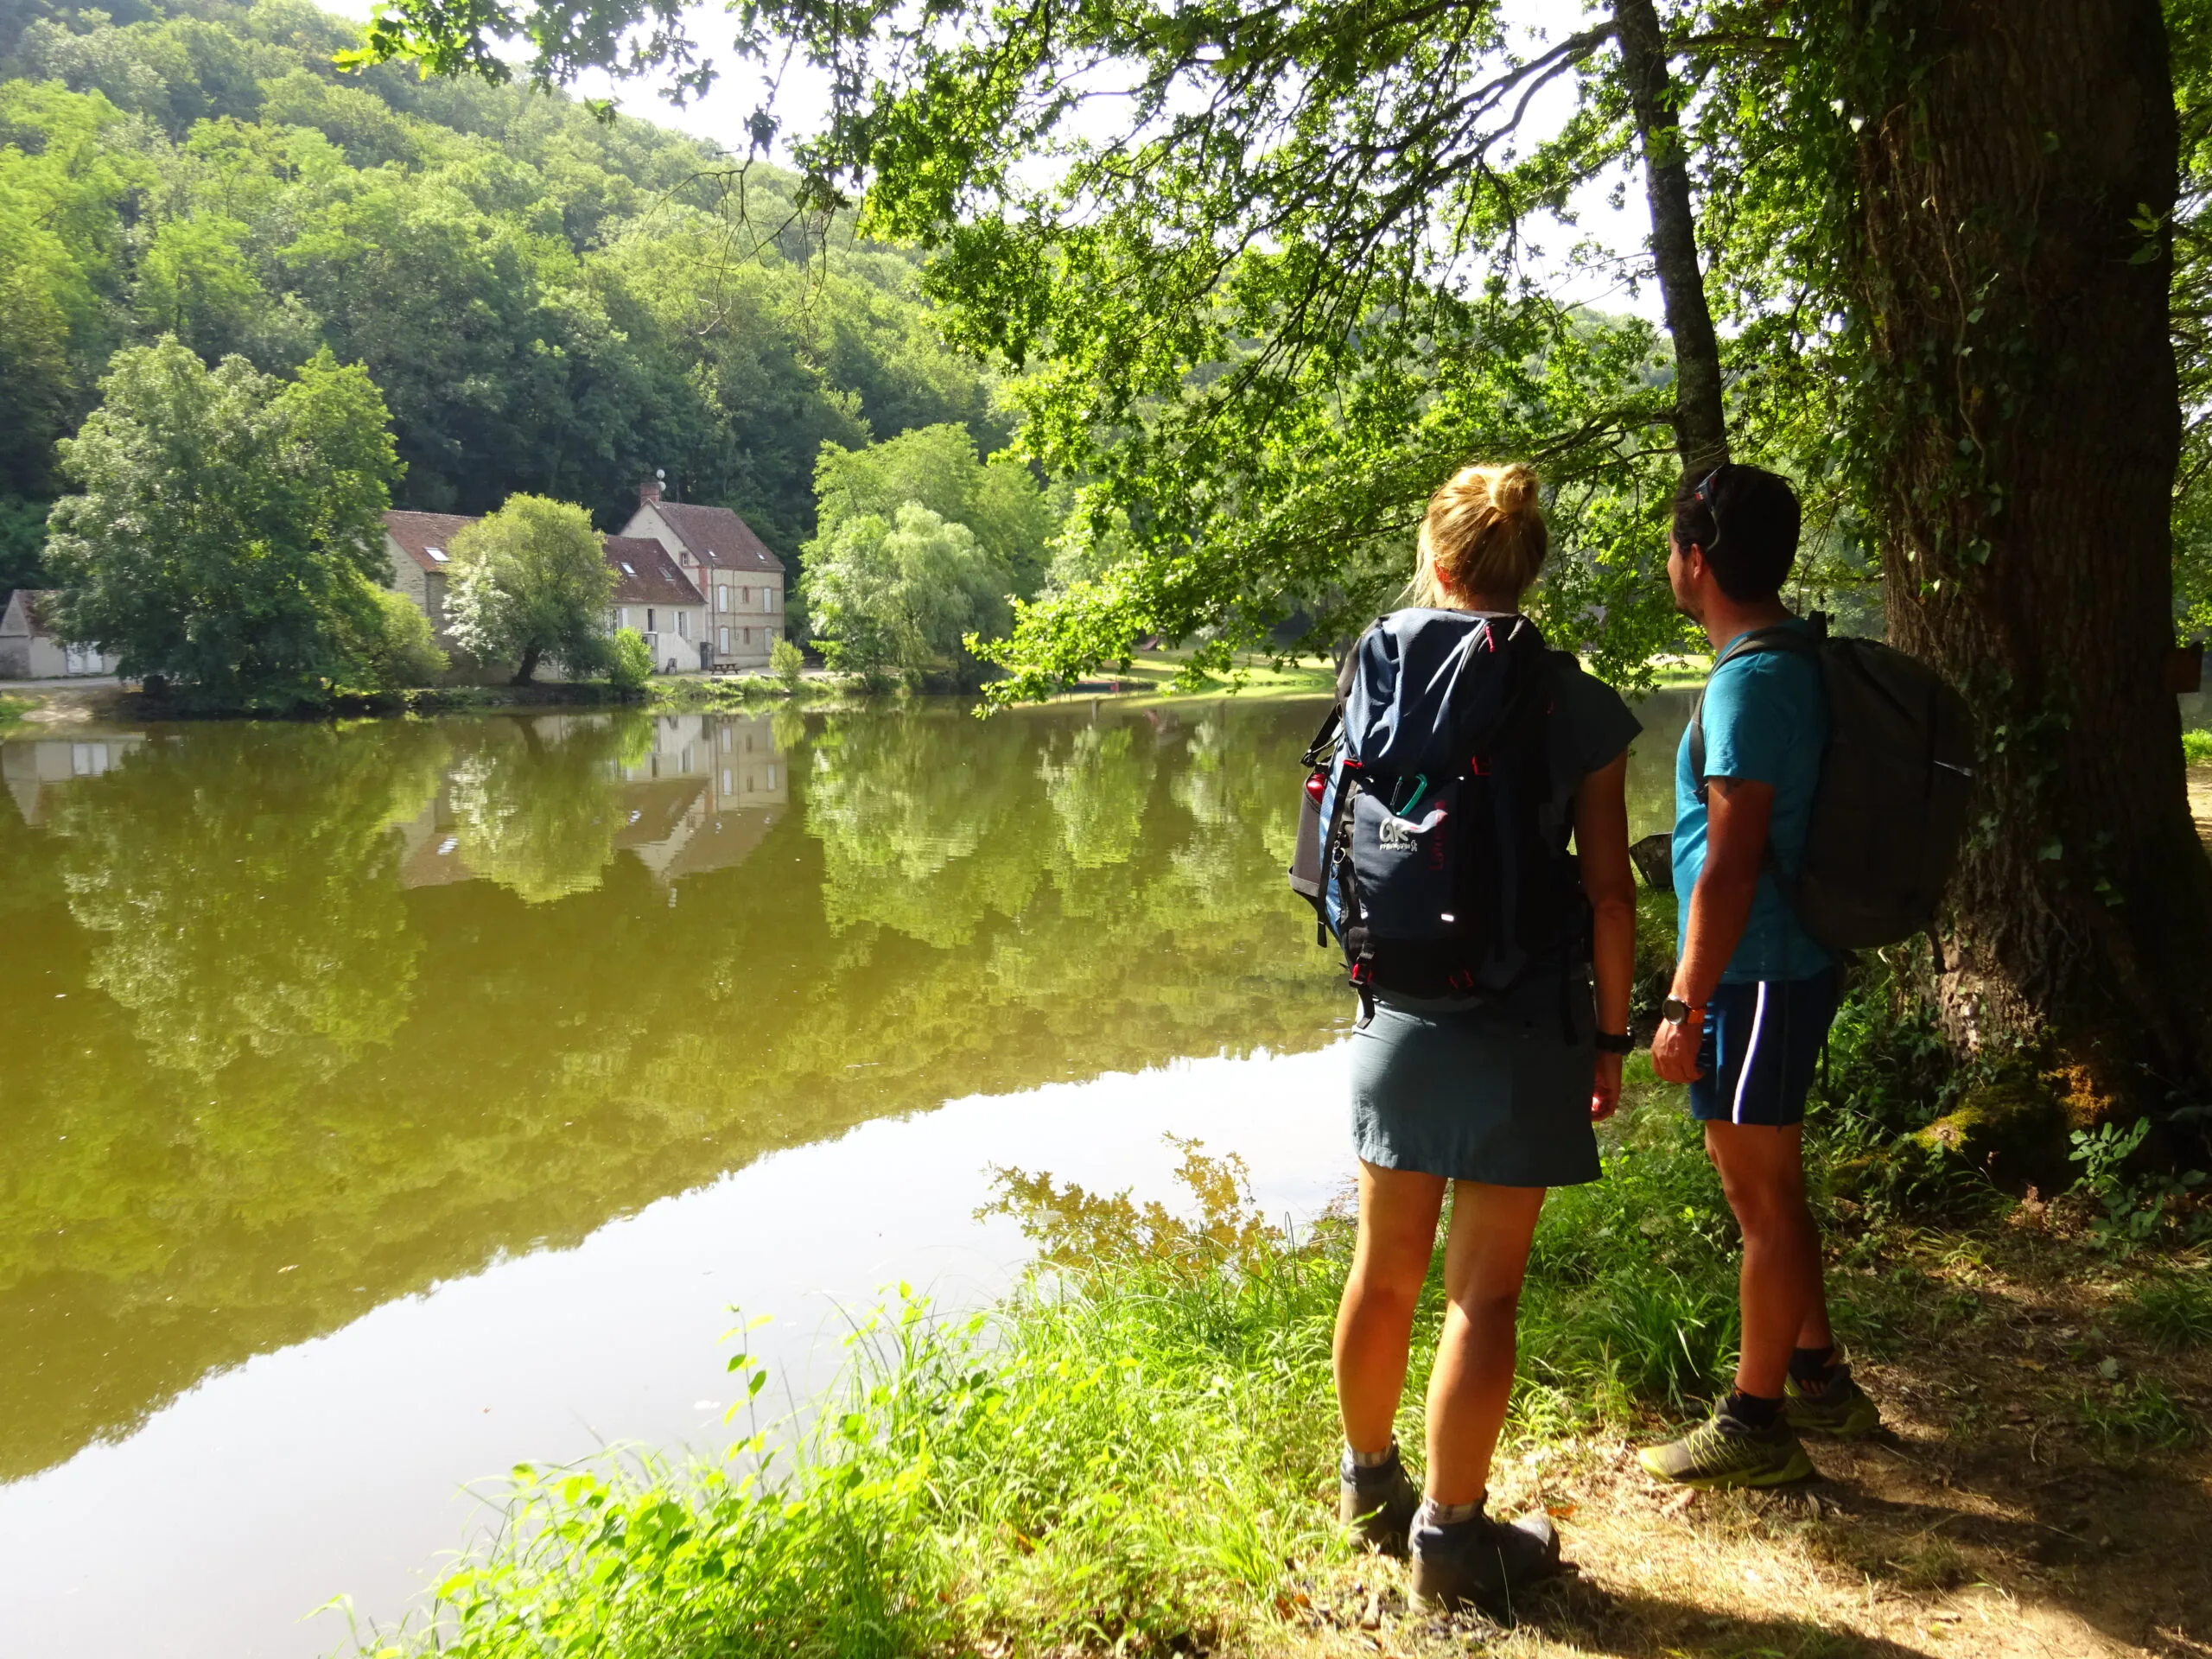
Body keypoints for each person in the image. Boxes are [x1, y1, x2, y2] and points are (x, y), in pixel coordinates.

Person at [1331, 462, 1640, 1615]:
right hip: (1523, 1025)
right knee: (1482, 1296)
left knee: (1387, 1266)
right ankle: (1451, 1542)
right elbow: (1610, 895)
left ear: (1440, 560)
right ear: (1532, 565)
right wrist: (1610, 1032)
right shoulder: (1573, 702)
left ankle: (1368, 1486)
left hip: (1395, 1012)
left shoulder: (1378, 665)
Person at [1638, 462, 1881, 1491]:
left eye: (1671, 547)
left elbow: (1731, 864)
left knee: (1760, 1203)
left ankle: (1756, 1421)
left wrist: (1683, 1001)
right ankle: (1820, 1372)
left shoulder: (1749, 681)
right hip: (1779, 966)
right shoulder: (1789, 656)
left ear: (1696, 559)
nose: (1669, 563)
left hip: (1755, 973)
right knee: (1776, 1183)